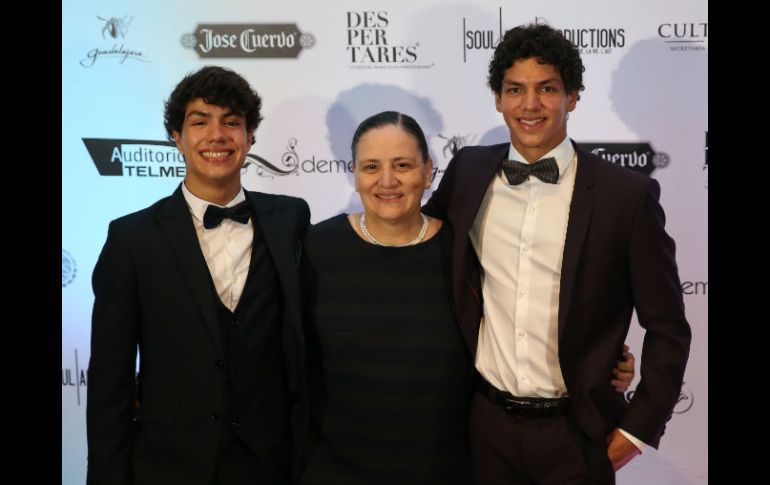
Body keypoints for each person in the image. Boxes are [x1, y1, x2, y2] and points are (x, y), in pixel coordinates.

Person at [300, 111, 636, 485]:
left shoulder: (462, 249)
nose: (388, 180)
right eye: (371, 166)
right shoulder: (316, 247)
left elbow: (520, 313)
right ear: (355, 173)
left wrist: (603, 360)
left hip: (446, 466)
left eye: (403, 165)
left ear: (428, 172)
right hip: (335, 467)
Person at [423, 23, 692, 484]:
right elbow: (418, 246)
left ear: (572, 96)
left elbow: (668, 328)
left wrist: (637, 430)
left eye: (547, 89)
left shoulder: (625, 196)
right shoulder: (468, 172)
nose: (530, 105)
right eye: (515, 90)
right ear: (498, 98)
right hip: (484, 427)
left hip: (579, 434)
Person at [87, 65, 310, 485]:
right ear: (177, 137)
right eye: (200, 121)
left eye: (232, 122)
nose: (217, 135)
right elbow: (109, 383)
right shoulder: (132, 239)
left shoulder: (291, 219)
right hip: (168, 464)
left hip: (270, 463)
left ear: (250, 136)